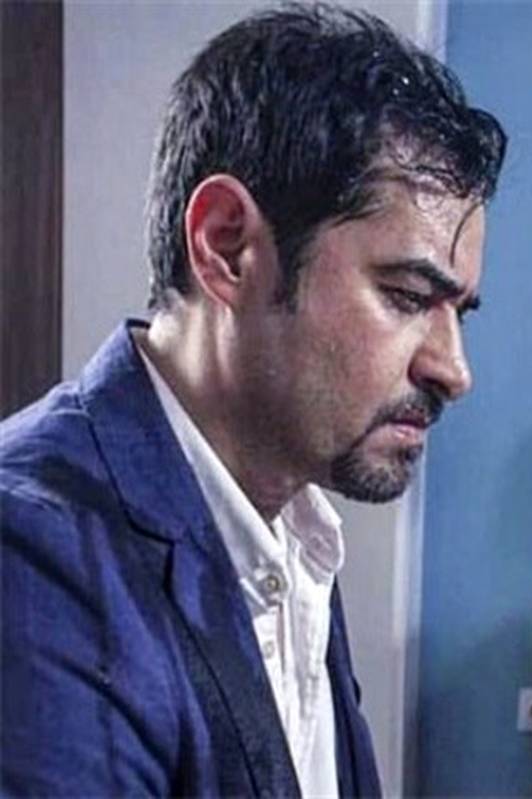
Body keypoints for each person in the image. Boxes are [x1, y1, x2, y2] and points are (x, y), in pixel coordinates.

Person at [0, 4, 505, 795]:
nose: (453, 369)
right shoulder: (33, 558)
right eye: (409, 296)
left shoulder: (292, 524)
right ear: (228, 246)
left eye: (458, 312)